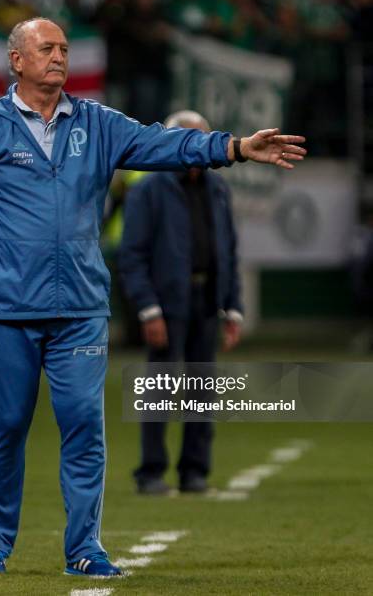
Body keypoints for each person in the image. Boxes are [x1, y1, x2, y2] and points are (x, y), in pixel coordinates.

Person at [0, 17, 306, 577]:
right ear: (16, 61)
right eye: (45, 48)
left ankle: (84, 549)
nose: (58, 57)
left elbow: (166, 143)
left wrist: (237, 147)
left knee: (84, 427)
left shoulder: (97, 125)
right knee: (4, 428)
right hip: (5, 310)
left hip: (79, 308)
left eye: (64, 49)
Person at [119, 110, 243, 495]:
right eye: (191, 140)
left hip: (206, 298)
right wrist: (148, 308)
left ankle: (195, 472)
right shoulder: (147, 190)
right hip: (166, 303)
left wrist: (233, 306)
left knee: (202, 388)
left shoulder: (218, 189)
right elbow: (131, 255)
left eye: (204, 140)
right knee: (159, 387)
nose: (200, 149)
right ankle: (151, 472)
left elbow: (228, 250)